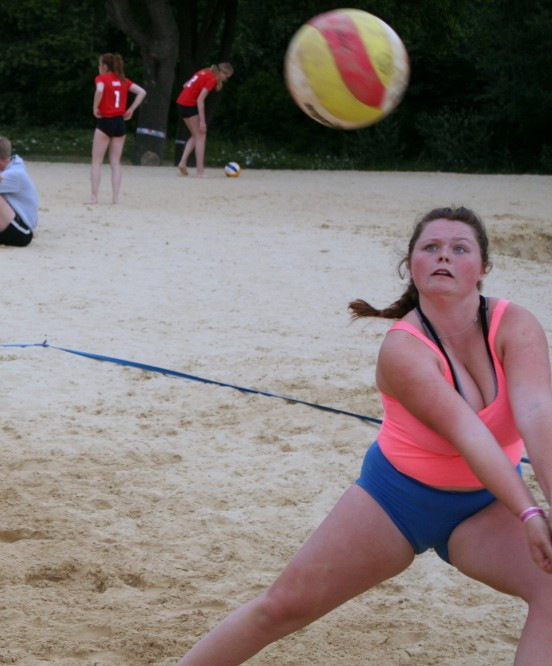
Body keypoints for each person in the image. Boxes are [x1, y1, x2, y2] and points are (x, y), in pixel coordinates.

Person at [179, 207, 552, 665]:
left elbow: (539, 416)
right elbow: (469, 434)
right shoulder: (402, 347)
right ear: (410, 266)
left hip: (485, 507)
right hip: (396, 500)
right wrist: (530, 511)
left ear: (483, 269)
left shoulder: (516, 324)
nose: (444, 256)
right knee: (281, 609)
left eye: (460, 249)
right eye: (431, 247)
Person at [86, 53, 146, 205]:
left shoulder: (101, 78)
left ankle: (94, 197)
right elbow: (142, 92)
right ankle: (116, 198)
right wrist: (131, 109)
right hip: (120, 123)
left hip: (105, 121)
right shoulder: (123, 80)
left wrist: (95, 107)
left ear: (104, 66)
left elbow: (100, 90)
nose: (99, 67)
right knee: (115, 162)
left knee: (96, 161)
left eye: (100, 64)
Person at [175, 62, 233, 178]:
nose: (226, 79)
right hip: (189, 105)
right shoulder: (212, 79)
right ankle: (200, 172)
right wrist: (202, 121)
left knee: (195, 135)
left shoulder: (204, 71)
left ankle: (182, 162)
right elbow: (200, 100)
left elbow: (185, 85)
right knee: (201, 136)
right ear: (222, 73)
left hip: (180, 103)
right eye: (226, 77)